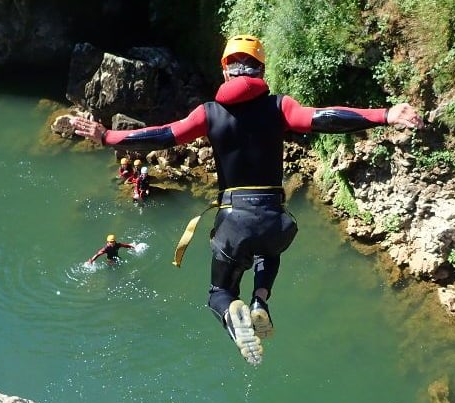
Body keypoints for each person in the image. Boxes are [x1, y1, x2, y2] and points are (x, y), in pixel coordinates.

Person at [70, 35, 424, 365]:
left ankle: (232, 310)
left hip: (233, 221)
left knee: (218, 292)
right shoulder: (280, 106)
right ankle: (260, 300)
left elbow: (164, 135)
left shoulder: (209, 113)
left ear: (225, 70)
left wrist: (109, 136)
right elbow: (320, 118)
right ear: (262, 70)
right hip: (274, 219)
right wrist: (385, 115)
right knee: (269, 251)